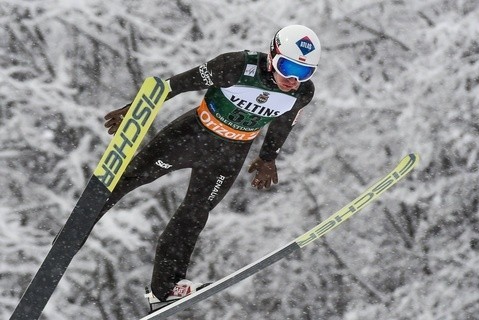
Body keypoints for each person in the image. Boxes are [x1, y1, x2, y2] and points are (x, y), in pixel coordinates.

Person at [100, 24, 321, 305]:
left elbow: (283, 123)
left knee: (194, 215)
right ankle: (81, 222)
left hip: (229, 156)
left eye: (304, 72)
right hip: (192, 136)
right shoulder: (236, 66)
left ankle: (163, 289)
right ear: (271, 55)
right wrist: (136, 109)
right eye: (287, 67)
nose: (292, 79)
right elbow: (175, 85)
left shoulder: (302, 93)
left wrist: (268, 157)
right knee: (130, 178)